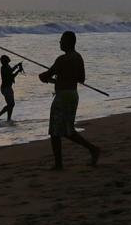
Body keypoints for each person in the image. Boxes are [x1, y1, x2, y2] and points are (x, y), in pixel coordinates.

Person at [38, 31, 100, 169]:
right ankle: (92, 149)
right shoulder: (78, 57)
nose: (59, 42)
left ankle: (59, 164)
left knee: (55, 132)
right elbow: (81, 79)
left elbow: (46, 75)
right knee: (68, 130)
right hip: (73, 95)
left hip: (62, 97)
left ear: (68, 42)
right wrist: (60, 78)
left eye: (61, 40)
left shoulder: (62, 59)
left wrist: (43, 77)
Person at [0, 55, 24, 121]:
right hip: (5, 88)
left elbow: (12, 76)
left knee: (11, 104)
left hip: (8, 88)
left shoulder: (7, 67)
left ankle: (8, 118)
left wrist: (18, 70)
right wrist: (17, 67)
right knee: (11, 104)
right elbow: (10, 73)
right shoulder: (3, 68)